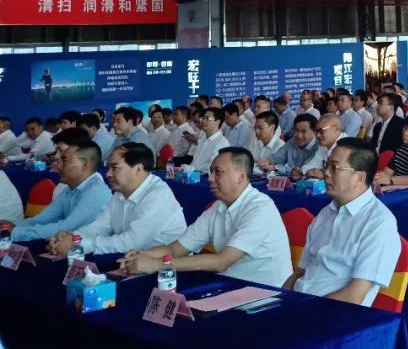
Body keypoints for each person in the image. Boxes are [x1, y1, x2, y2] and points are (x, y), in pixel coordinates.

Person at [121, 148, 292, 287]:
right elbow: (175, 250)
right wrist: (142, 255)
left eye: (218, 172)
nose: (210, 178)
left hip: (267, 293)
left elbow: (221, 262)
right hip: (231, 286)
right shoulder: (219, 207)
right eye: (211, 172)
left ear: (241, 175)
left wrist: (156, 265)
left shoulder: (260, 208)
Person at [283, 138, 401, 305]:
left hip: (333, 314)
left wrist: (302, 310)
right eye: (327, 165)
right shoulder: (326, 214)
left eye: (335, 168)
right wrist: (281, 300)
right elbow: (299, 273)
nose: (326, 173)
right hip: (299, 305)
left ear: (359, 178)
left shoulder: (379, 223)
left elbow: (354, 296)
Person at [47, 144, 185, 256]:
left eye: (115, 168)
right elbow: (100, 227)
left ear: (138, 169)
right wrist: (70, 238)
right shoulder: (120, 193)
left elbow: (133, 242)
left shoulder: (158, 195)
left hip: (166, 266)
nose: (108, 174)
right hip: (131, 259)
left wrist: (79, 244)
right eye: (108, 168)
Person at [11, 142, 110, 242]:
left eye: (64, 161)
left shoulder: (96, 192)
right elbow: (42, 219)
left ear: (84, 165)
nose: (59, 166)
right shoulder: (70, 188)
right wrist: (13, 226)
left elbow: (66, 227)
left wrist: (15, 232)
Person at [262, 113, 319, 180]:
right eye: (296, 130)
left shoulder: (319, 147)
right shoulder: (292, 141)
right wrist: (266, 162)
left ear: (314, 132)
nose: (299, 135)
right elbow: (275, 159)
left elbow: (301, 172)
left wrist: (277, 168)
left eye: (303, 132)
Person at [302, 114, 344, 178]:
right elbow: (314, 163)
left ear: (335, 129)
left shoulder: (346, 147)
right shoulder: (324, 145)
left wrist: (324, 175)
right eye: (316, 131)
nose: (318, 135)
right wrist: (301, 171)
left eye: (321, 131)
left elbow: (344, 176)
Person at [189, 107, 229, 173]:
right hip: (194, 175)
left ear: (218, 121)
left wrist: (193, 170)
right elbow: (195, 162)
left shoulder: (222, 143)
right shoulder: (202, 139)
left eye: (207, 118)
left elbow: (213, 167)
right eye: (203, 118)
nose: (203, 121)